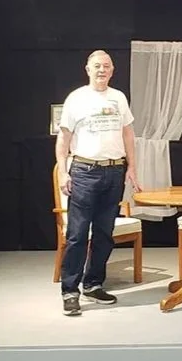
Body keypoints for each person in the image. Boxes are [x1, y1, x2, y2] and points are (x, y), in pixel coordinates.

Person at [55, 50, 141, 316]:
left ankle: (93, 284)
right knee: (78, 234)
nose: (101, 70)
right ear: (87, 69)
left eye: (106, 66)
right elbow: (64, 137)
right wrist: (63, 171)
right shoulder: (76, 99)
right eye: (96, 66)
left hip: (114, 171)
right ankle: (70, 291)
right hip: (84, 171)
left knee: (104, 234)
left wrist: (132, 167)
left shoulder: (118, 98)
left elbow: (128, 133)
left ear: (112, 70)